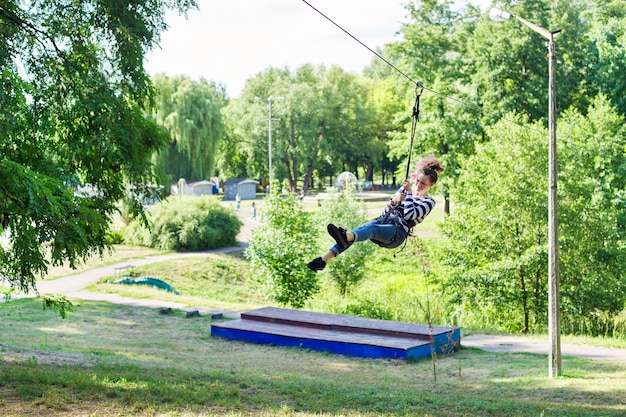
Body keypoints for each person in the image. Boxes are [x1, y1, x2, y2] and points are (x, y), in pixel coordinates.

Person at [307, 156, 443, 272]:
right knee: (359, 231)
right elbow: (386, 212)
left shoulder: (428, 202)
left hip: (398, 232)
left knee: (371, 230)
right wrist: (394, 200)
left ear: (431, 185)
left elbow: (408, 215)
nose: (418, 185)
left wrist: (409, 195)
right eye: (417, 181)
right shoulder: (405, 189)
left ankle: (345, 236)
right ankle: (322, 261)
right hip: (386, 220)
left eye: (423, 184)